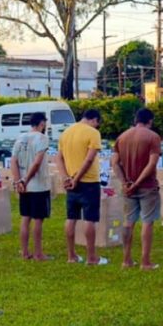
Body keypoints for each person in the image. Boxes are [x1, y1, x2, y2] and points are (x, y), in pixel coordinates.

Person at [112, 107, 162, 270]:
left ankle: (126, 260)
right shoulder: (153, 137)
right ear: (150, 121)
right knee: (147, 222)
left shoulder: (122, 137)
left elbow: (114, 163)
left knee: (128, 222)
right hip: (146, 186)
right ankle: (145, 261)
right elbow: (152, 163)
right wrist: (138, 182)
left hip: (128, 187)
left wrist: (125, 182)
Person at [56, 108, 106, 266]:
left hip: (70, 181)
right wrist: (77, 178)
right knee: (90, 219)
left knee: (71, 218)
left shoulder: (66, 133)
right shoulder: (93, 133)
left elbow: (58, 158)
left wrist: (66, 177)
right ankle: (91, 257)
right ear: (94, 120)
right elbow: (89, 159)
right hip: (89, 182)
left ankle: (71, 255)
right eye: (97, 124)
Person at [11, 112, 51, 261]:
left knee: (25, 218)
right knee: (38, 219)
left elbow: (13, 161)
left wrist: (18, 181)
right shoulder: (42, 138)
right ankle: (38, 253)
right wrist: (26, 180)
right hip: (38, 185)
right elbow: (37, 162)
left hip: (23, 185)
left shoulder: (20, 138)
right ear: (42, 124)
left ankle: (24, 251)